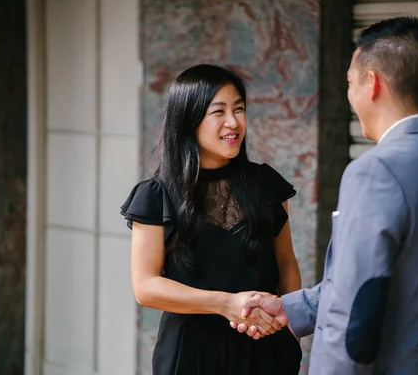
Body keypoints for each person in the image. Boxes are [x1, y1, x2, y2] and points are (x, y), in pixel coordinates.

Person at [232, 16, 418, 375]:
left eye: (350, 83)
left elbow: (354, 309)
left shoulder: (376, 171)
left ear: (372, 83)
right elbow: (401, 284)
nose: (349, 96)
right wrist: (292, 308)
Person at [120, 64, 302, 375]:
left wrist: (290, 326)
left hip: (265, 347)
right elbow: (146, 286)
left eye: (239, 109)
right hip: (191, 353)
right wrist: (225, 304)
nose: (233, 122)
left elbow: (286, 262)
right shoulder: (157, 194)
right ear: (189, 121)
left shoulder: (266, 185)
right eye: (218, 112)